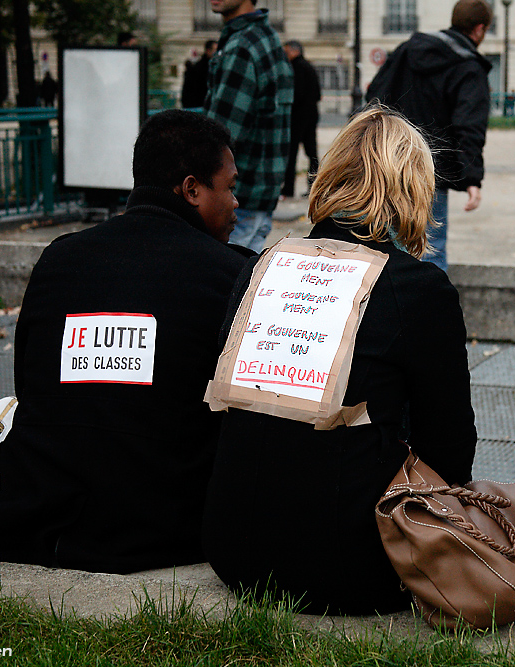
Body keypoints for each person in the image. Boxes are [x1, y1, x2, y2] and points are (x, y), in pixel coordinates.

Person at [0, 110, 254, 574]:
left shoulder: (60, 257)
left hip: (36, 515)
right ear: (191, 190)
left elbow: (31, 389)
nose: (237, 203)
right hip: (162, 527)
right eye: (228, 187)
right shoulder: (232, 275)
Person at [202, 106, 478, 614]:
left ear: (329, 176)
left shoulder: (263, 265)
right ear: (413, 189)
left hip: (233, 548)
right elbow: (450, 447)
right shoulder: (417, 289)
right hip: (350, 567)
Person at [365, 0, 493, 273]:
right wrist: (472, 178)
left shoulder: (407, 50)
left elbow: (374, 96)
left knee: (386, 248)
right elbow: (468, 124)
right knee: (429, 249)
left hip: (387, 164)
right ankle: (430, 314)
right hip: (428, 171)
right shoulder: (469, 67)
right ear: (480, 29)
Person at [205, 0, 294, 253]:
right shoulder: (267, 38)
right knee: (241, 282)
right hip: (260, 194)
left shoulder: (241, 46)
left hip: (235, 197)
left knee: (221, 285)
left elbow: (218, 135)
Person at [280, 40, 321, 199]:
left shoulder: (295, 69)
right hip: (311, 115)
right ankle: (314, 188)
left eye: (287, 51)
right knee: (312, 153)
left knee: (291, 154)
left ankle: (288, 188)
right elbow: (317, 94)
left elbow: (295, 95)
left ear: (294, 51)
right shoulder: (309, 67)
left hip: (297, 117)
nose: (285, 55)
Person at [181, 40, 217, 109]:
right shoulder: (199, 68)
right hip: (198, 107)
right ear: (208, 51)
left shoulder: (211, 66)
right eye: (215, 50)